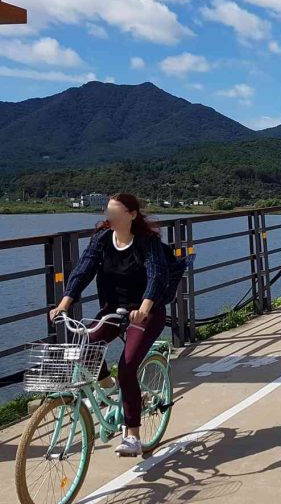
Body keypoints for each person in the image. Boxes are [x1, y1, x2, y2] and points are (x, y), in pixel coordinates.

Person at [49, 193, 170, 457]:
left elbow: (156, 276)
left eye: (115, 213)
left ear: (132, 215)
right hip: (113, 310)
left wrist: (144, 309)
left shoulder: (147, 243)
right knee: (86, 346)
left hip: (145, 313)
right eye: (108, 213)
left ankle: (134, 436)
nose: (109, 218)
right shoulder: (103, 240)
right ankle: (109, 387)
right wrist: (64, 304)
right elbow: (83, 270)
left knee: (127, 367)